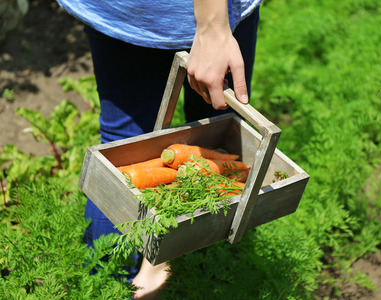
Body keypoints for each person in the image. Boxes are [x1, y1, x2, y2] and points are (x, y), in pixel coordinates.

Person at [56, 0, 261, 298]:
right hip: (197, 15)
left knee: (122, 148)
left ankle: (108, 288)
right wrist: (212, 27)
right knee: (216, 131)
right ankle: (181, 276)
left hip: (123, 9)